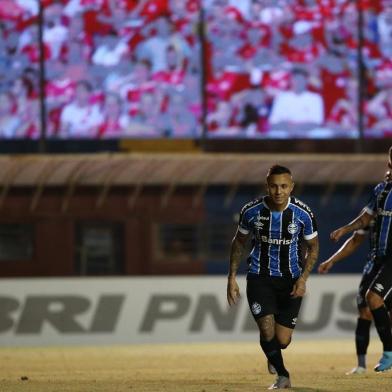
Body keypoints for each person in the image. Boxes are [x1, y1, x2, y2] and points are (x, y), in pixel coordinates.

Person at [227, 164, 319, 389]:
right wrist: (231, 277)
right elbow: (239, 243)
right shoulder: (251, 211)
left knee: (282, 341)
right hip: (260, 277)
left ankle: (273, 354)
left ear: (292, 187)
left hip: (291, 280)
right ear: (267, 186)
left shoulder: (303, 214)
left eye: (284, 186)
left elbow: (313, 247)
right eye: (274, 186)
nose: (279, 191)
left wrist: (303, 279)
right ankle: (283, 375)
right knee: (266, 328)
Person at [330, 146, 392, 372]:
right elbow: (363, 223)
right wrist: (345, 229)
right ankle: (364, 363)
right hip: (378, 261)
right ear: (389, 164)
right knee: (369, 305)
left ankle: (389, 352)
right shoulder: (380, 191)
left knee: (373, 300)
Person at [318, 197, 392, 374]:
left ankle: (388, 354)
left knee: (383, 307)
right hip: (373, 264)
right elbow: (355, 241)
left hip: (389, 264)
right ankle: (361, 365)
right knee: (364, 311)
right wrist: (332, 260)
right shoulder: (375, 210)